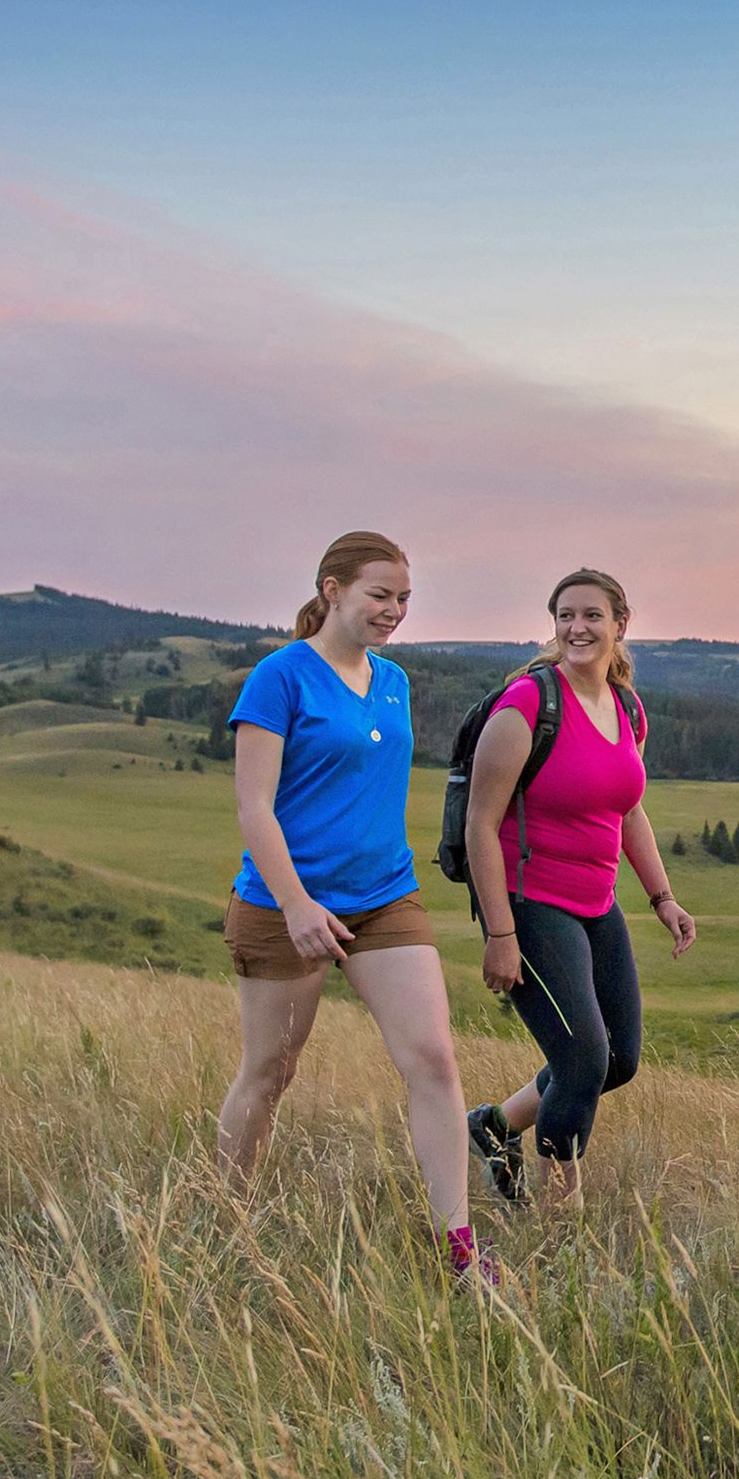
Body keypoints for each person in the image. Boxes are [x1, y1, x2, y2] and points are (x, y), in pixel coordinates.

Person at [218, 530, 487, 1279]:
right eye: (380, 594)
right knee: (270, 1072)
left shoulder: (394, 681)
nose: (394, 610)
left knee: (433, 1059)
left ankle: (458, 1249)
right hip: (284, 907)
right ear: (331, 589)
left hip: (384, 898)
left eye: (404, 598)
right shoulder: (280, 678)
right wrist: (298, 904)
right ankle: (228, 1225)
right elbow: (254, 808)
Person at [463, 567, 697, 1207]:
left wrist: (662, 896)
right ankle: (560, 1217)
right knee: (582, 1061)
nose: (577, 628)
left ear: (621, 624)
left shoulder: (626, 708)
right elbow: (480, 824)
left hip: (596, 903)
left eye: (592, 615)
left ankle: (496, 1126)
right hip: (527, 903)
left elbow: (625, 809)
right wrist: (501, 935)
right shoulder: (527, 707)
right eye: (566, 615)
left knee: (617, 1059)